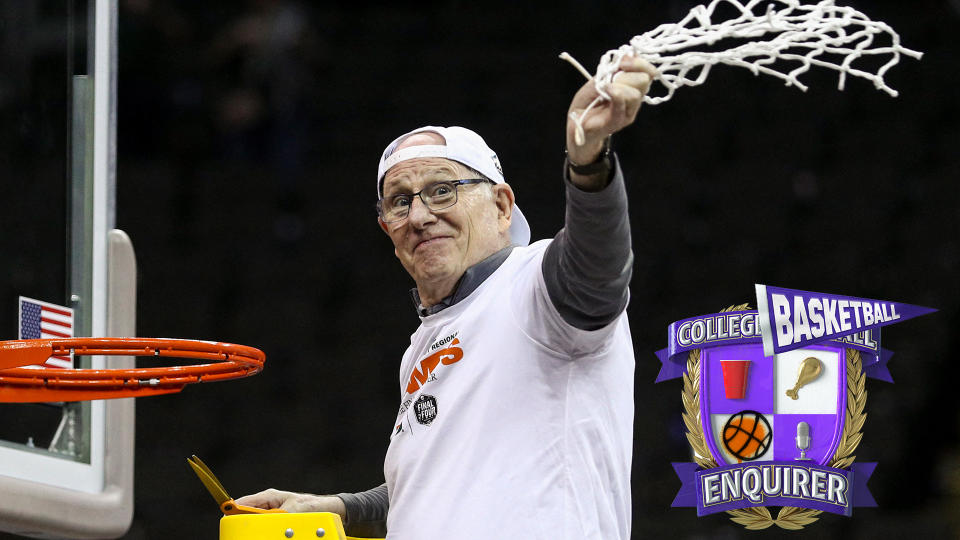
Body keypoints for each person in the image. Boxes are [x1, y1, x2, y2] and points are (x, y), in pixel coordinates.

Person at [237, 55, 657, 539]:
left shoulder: (536, 286)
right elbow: (432, 484)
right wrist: (338, 506)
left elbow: (598, 269)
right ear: (387, 230)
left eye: (441, 190)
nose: (418, 216)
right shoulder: (423, 341)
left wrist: (588, 165)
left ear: (501, 206)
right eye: (400, 201)